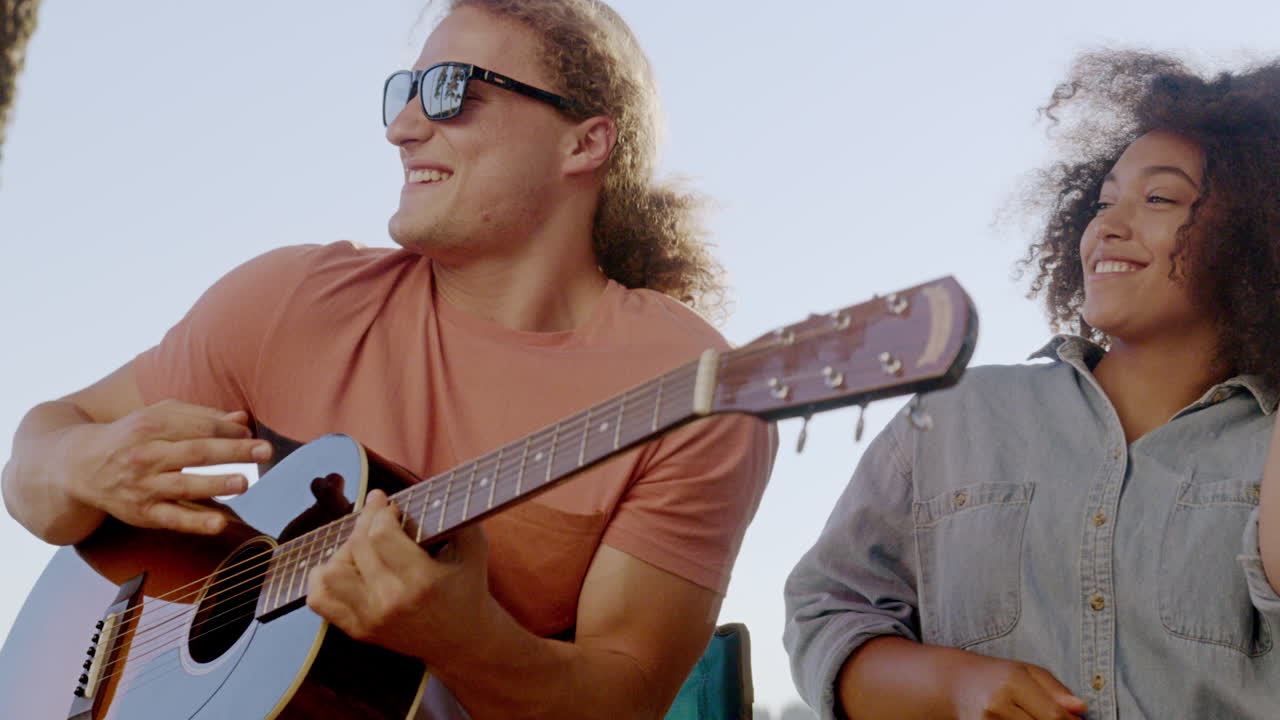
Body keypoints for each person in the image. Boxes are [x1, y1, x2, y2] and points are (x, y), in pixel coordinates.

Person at [0, 1, 775, 718]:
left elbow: (625, 700)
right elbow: (33, 463)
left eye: (449, 91)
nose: (402, 127)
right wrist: (81, 461)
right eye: (402, 92)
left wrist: (464, 640)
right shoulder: (290, 301)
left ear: (585, 141)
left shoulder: (690, 389)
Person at [784, 50, 1280, 720]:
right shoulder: (958, 417)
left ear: (1259, 233)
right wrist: (955, 685)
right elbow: (827, 617)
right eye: (1104, 201)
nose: (1107, 225)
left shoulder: (1265, 445)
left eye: (1159, 198)